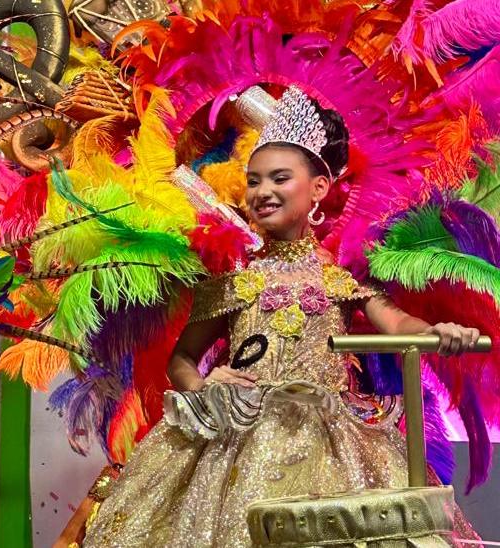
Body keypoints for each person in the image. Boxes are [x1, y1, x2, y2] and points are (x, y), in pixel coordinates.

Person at [81, 87, 481, 546]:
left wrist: (438, 332)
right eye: (253, 180)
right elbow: (182, 361)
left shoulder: (342, 279)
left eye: (279, 178)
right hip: (232, 448)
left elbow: (400, 326)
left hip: (333, 448)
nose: (263, 191)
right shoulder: (233, 283)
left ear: (318, 189)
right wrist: (206, 388)